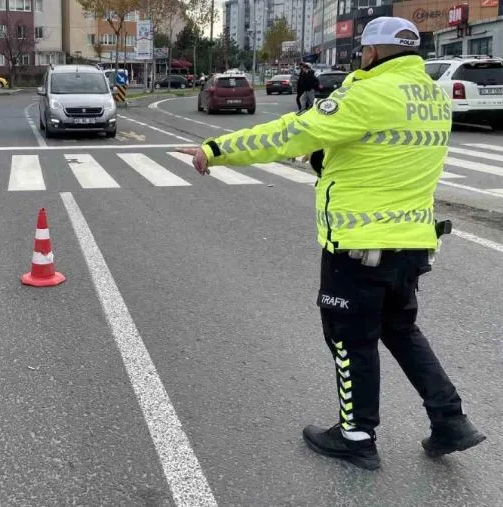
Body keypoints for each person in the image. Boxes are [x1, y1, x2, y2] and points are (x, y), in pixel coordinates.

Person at [176, 16, 485, 471]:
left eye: (363, 50)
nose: (361, 56)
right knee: (401, 330)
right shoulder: (432, 97)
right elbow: (384, 154)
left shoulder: (368, 93)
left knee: (348, 339)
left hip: (360, 244)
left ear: (373, 52)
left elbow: (290, 134)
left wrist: (217, 150)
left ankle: (356, 435)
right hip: (412, 243)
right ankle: (450, 420)